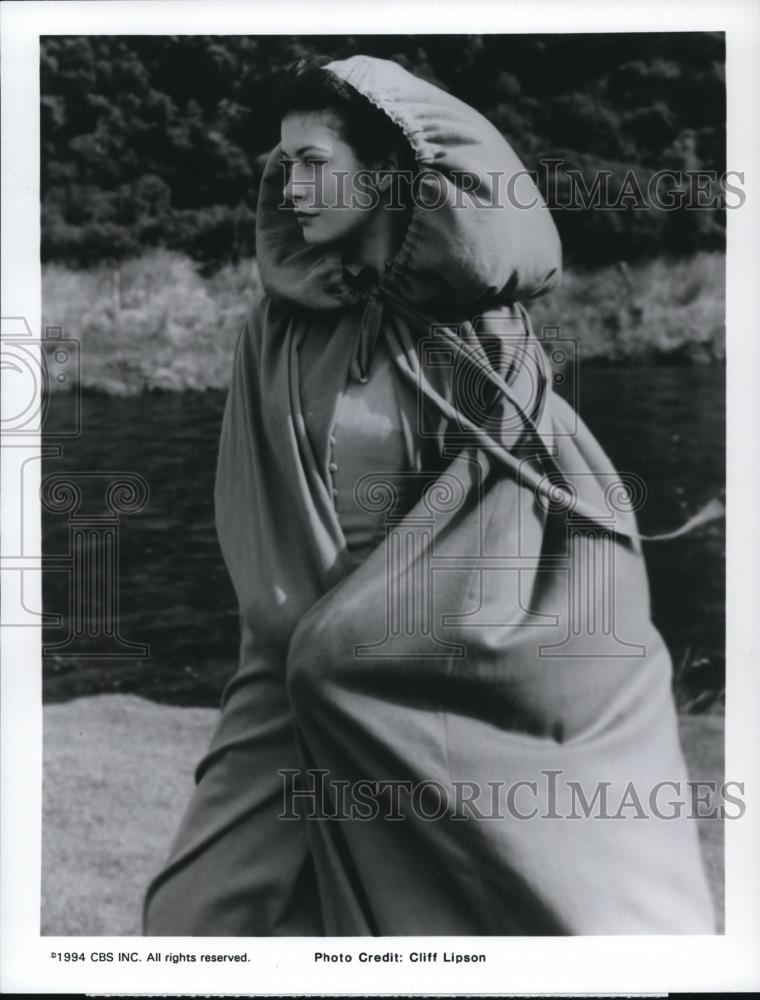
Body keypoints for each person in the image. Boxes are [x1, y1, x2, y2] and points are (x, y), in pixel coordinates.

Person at [142, 53, 716, 936]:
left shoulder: (482, 335)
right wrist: (305, 643)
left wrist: (356, 643)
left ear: (384, 175)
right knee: (195, 918)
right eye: (280, 163)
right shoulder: (276, 329)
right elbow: (252, 508)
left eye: (313, 163)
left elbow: (512, 535)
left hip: (428, 670)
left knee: (496, 918)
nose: (288, 184)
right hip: (291, 663)